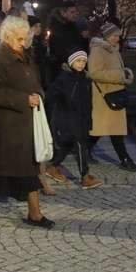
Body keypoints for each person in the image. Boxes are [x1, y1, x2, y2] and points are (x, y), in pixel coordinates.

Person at [0, 16, 54, 229]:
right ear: (7, 37)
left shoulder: (25, 57)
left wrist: (38, 95)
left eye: (24, 38)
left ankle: (34, 213)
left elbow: (36, 83)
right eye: (19, 38)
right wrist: (23, 99)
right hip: (3, 127)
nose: (23, 42)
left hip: (24, 125)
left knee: (29, 169)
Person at [45, 47, 103, 190]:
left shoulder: (85, 78)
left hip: (80, 119)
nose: (82, 63)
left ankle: (53, 167)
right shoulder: (64, 79)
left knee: (67, 145)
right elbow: (51, 94)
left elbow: (87, 102)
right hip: (67, 119)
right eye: (78, 61)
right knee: (80, 146)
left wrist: (88, 120)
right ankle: (85, 176)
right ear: (71, 62)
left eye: (84, 61)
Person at [87, 22, 136, 171]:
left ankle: (85, 150)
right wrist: (119, 75)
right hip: (104, 95)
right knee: (112, 130)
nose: (118, 38)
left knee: (104, 129)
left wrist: (125, 73)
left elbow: (117, 70)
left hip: (113, 94)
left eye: (118, 36)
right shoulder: (98, 51)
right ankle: (125, 159)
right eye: (115, 36)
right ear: (107, 36)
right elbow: (95, 73)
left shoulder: (112, 50)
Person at [48, 1, 82, 82]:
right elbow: (60, 52)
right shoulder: (57, 29)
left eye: (75, 12)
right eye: (72, 12)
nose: (75, 14)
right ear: (63, 13)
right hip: (63, 70)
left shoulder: (73, 27)